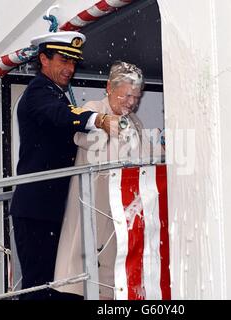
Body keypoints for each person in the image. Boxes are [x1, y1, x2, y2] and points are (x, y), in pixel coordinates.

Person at [9, 31, 120, 300]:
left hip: (55, 208)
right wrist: (99, 119)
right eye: (63, 60)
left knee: (60, 286)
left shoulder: (56, 95)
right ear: (44, 59)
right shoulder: (38, 92)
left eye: (73, 62)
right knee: (41, 287)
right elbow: (61, 116)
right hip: (38, 209)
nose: (69, 68)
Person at [53, 61, 163, 299]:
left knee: (114, 273)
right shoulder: (94, 109)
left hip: (121, 209)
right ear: (109, 88)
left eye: (136, 96)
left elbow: (146, 156)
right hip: (97, 204)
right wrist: (108, 127)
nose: (132, 102)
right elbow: (85, 138)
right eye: (126, 96)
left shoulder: (134, 122)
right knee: (90, 270)